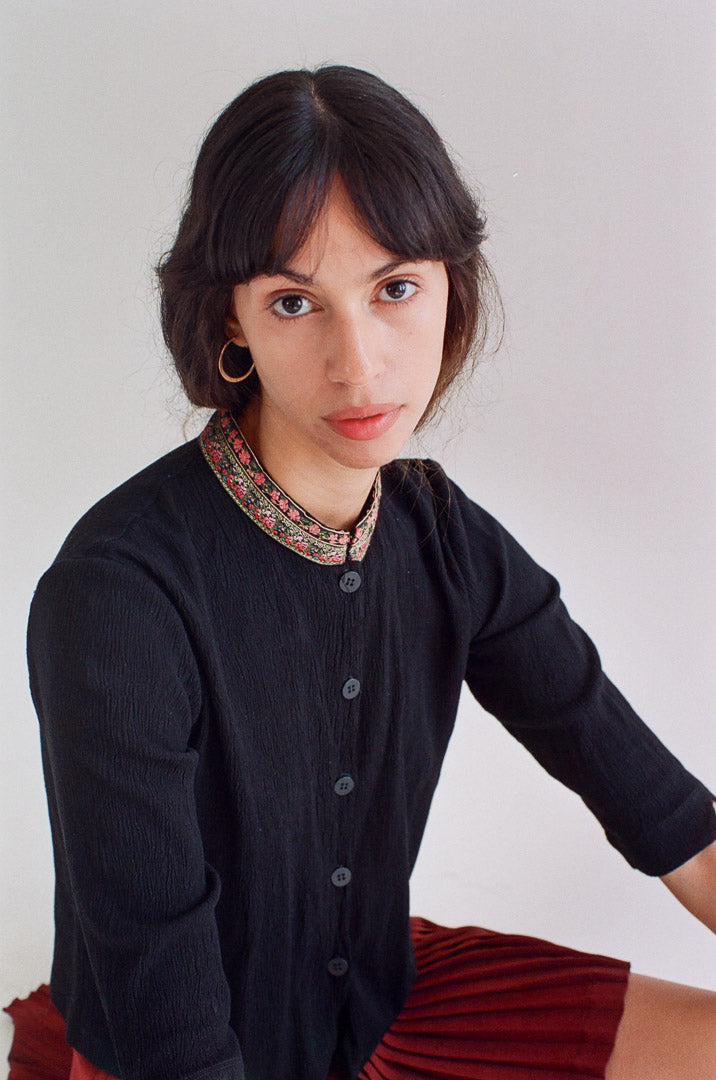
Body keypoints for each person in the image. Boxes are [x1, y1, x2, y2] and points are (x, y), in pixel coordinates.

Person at [5, 65, 716, 1080]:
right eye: (295, 301)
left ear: (448, 289)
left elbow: (667, 818)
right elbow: (162, 997)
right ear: (231, 322)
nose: (360, 363)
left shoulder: (437, 532)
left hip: (381, 1007)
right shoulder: (117, 593)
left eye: (394, 289)